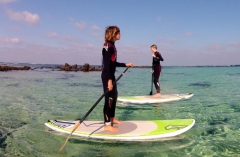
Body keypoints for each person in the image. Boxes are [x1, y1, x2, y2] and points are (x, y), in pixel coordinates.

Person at [101, 26, 133, 132]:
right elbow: (106, 64)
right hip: (107, 76)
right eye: (118, 32)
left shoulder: (113, 46)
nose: (120, 34)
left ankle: (112, 118)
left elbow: (113, 63)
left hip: (111, 75)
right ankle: (107, 124)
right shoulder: (107, 46)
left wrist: (125, 64)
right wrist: (109, 80)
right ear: (113, 33)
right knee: (109, 99)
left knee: (114, 97)